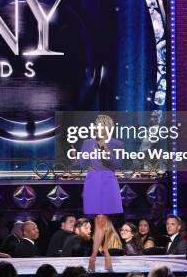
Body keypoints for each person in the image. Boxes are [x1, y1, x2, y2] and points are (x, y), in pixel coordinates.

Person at [80, 115, 124, 272]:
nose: (96, 127)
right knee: (100, 221)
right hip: (93, 181)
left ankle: (93, 257)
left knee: (101, 219)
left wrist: (106, 149)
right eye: (95, 125)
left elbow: (117, 164)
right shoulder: (87, 143)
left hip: (108, 181)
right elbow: (81, 162)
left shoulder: (117, 144)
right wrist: (75, 156)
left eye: (99, 125)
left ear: (107, 127)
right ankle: (106, 255)